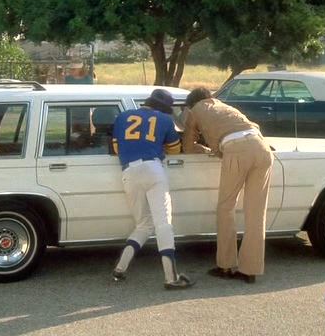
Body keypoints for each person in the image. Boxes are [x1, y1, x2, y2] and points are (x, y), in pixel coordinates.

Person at [182, 87, 273, 284]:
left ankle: (225, 265)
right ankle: (251, 270)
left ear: (191, 104)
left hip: (237, 150)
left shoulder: (195, 110)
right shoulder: (225, 107)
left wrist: (206, 148)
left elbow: (188, 146)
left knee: (226, 207)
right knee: (256, 213)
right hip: (263, 149)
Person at [111, 89, 194, 290]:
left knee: (143, 225)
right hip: (153, 169)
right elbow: (175, 149)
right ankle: (170, 277)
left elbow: (116, 149)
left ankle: (120, 268)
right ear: (162, 107)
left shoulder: (122, 116)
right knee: (163, 223)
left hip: (129, 171)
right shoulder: (164, 120)